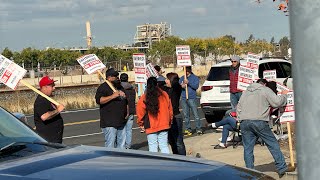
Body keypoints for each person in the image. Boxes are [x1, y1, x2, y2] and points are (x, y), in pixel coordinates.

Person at [237, 78, 293, 178]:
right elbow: (277, 103)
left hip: (244, 122)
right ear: (264, 84)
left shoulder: (245, 92)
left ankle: (250, 172)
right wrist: (284, 95)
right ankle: (281, 167)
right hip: (259, 121)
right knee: (272, 143)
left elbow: (238, 108)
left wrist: (241, 119)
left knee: (248, 148)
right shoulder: (265, 90)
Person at [136, 77, 173, 154]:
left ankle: (155, 164)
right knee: (164, 146)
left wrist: (140, 123)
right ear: (157, 84)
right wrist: (170, 120)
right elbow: (170, 110)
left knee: (153, 147)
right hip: (164, 123)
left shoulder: (145, 97)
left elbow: (140, 111)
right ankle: (167, 163)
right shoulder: (164, 94)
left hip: (151, 125)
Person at [95, 68, 128, 149]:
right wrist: (112, 96)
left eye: (118, 76)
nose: (117, 77)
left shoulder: (119, 86)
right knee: (110, 144)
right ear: (109, 77)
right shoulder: (103, 87)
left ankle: (120, 159)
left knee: (122, 144)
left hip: (121, 120)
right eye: (115, 76)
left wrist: (127, 111)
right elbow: (99, 100)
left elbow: (125, 100)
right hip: (109, 122)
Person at [33, 76, 65, 143]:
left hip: (54, 138)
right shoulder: (41, 100)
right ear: (44, 87)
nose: (54, 88)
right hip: (49, 140)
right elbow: (44, 116)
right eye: (52, 86)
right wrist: (58, 110)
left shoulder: (46, 99)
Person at [165, 72, 186, 155]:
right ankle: (176, 157)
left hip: (176, 117)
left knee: (178, 141)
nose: (165, 81)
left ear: (171, 80)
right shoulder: (166, 89)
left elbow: (176, 85)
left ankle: (183, 159)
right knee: (171, 141)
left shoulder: (176, 89)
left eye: (167, 79)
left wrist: (179, 82)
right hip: (168, 118)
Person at [179, 66, 202, 135]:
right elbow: (180, 85)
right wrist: (182, 85)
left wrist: (188, 83)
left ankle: (198, 128)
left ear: (190, 70)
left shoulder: (194, 78)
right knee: (186, 115)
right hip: (183, 98)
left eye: (187, 70)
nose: (186, 72)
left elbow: (196, 86)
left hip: (192, 98)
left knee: (196, 114)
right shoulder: (182, 78)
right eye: (185, 70)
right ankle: (188, 129)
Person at [120, 73, 136, 149]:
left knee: (122, 130)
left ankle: (122, 145)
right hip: (131, 110)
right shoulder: (132, 89)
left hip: (123, 111)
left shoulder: (119, 90)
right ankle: (128, 145)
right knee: (129, 130)